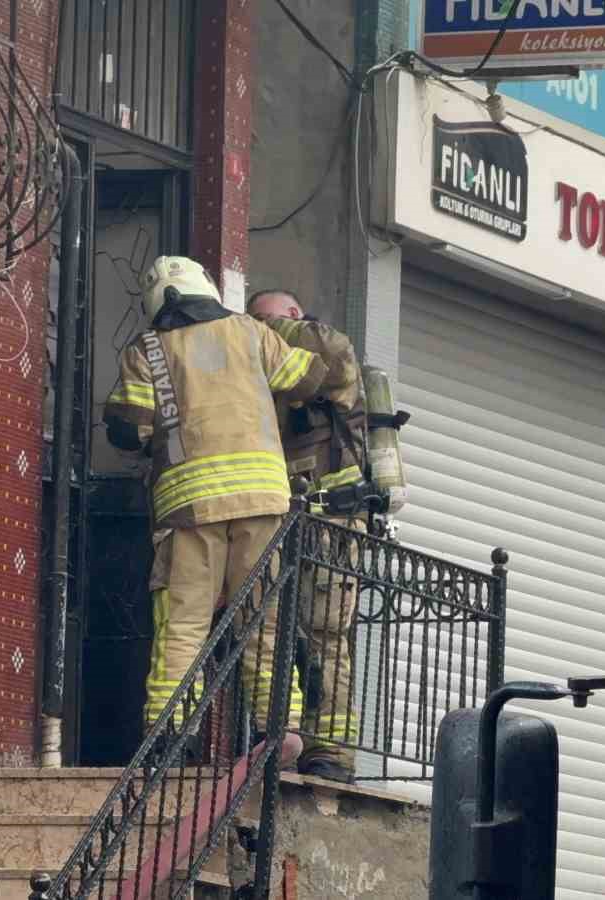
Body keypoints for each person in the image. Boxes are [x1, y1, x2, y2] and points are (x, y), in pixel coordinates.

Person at [104, 258, 327, 757]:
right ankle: (280, 732)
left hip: (189, 507)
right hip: (263, 499)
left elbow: (128, 428)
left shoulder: (149, 350)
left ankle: (169, 740)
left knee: (183, 624)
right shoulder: (249, 331)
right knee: (263, 620)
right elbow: (307, 377)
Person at [247, 287, 368, 784]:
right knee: (271, 631)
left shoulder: (326, 350)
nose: (258, 331)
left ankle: (332, 752)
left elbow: (335, 354)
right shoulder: (273, 372)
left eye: (266, 320)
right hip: (281, 520)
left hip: (334, 526)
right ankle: (283, 735)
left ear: (294, 315)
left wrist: (260, 330)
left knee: (325, 638)